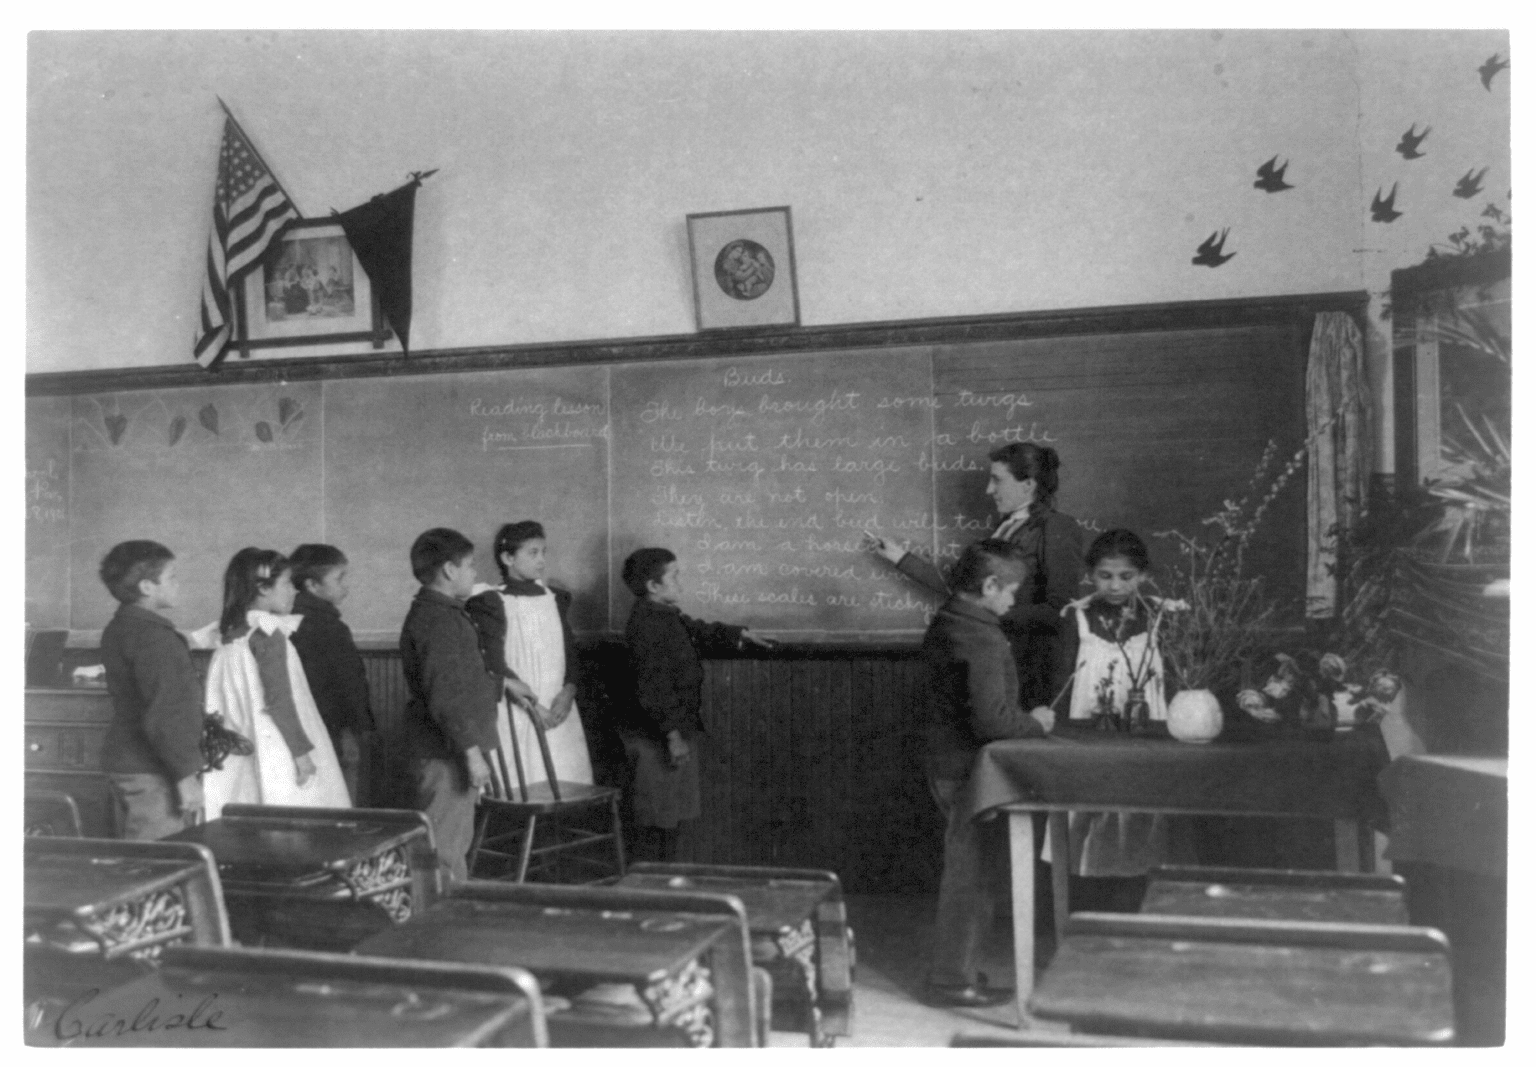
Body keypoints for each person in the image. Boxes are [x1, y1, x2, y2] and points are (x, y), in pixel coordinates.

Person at [920, 539, 1056, 1007]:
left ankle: (957, 973)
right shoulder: (978, 634)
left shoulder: (953, 620)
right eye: (1011, 592)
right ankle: (951, 980)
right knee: (971, 875)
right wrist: (1036, 723)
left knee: (971, 872)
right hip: (967, 771)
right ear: (990, 585)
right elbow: (993, 722)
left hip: (949, 765)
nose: (1013, 601)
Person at [866, 442, 1084, 708]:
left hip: (1025, 665)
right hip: (988, 657)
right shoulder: (1004, 528)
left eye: (997, 480)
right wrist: (899, 557)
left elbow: (1060, 608)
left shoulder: (1056, 527)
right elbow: (962, 588)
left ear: (1028, 485)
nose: (989, 490)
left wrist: (987, 617)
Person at [1049, 528, 1189, 910]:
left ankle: (1140, 907)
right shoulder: (1076, 618)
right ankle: (1086, 908)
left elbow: (1177, 681)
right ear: (1090, 575)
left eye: (1126, 577)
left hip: (1148, 739)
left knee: (1143, 817)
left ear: (1143, 575)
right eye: (1104, 576)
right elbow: (1062, 685)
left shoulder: (1163, 615)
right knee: (1089, 819)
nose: (1115, 585)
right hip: (1089, 738)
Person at [620, 547, 774, 863]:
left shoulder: (664, 615)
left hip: (670, 729)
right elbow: (652, 687)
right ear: (653, 586)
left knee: (670, 811)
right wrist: (673, 736)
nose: (680, 581)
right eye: (674, 575)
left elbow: (697, 629)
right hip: (658, 734)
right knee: (657, 815)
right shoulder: (647, 625)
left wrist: (740, 634)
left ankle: (663, 880)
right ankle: (651, 886)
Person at [202, 548, 350, 818]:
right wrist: (301, 755)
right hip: (281, 745)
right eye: (286, 584)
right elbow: (280, 701)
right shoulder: (269, 634)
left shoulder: (229, 636)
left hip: (243, 745)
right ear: (263, 588)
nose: (294, 591)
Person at [399, 528, 501, 882]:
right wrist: (471, 752)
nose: (475, 573)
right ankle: (438, 929)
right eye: (470, 565)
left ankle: (447, 923)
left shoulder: (442, 613)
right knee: (443, 853)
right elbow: (445, 694)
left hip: (451, 750)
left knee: (453, 844)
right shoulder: (438, 619)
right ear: (448, 570)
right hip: (447, 754)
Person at [466, 521, 591, 788]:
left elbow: (571, 654)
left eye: (544, 552)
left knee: (566, 783)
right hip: (519, 709)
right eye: (533, 553)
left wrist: (568, 693)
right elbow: (494, 664)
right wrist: (534, 708)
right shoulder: (491, 602)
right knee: (527, 782)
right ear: (507, 558)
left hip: (558, 708)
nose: (542, 560)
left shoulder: (554, 598)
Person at [97, 540, 206, 839]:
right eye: (172, 577)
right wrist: (185, 776)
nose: (178, 584)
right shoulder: (155, 638)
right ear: (147, 587)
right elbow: (166, 714)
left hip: (128, 761)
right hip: (152, 769)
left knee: (143, 860)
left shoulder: (120, 626)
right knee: (159, 865)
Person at [288, 543, 375, 803]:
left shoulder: (292, 621)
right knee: (340, 800)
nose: (345, 586)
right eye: (339, 578)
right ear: (312, 586)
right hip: (335, 731)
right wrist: (356, 730)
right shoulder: (328, 627)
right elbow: (348, 686)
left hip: (308, 731)